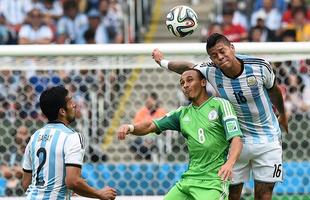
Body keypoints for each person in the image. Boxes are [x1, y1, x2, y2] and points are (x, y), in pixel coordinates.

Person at [152, 33, 288, 200]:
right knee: (232, 194)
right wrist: (162, 62)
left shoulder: (260, 67)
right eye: (214, 56)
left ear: (232, 48)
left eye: (222, 51)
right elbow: (188, 66)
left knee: (264, 195)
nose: (220, 57)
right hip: (236, 141)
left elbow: (274, 91)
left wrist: (282, 113)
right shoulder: (212, 71)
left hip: (268, 138)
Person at [117, 69, 243, 199]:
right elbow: (150, 125)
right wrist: (130, 127)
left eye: (189, 80)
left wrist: (229, 163)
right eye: (182, 83)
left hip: (213, 181)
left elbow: (237, 138)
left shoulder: (220, 105)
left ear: (203, 82)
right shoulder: (181, 114)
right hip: (188, 180)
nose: (185, 85)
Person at [22, 86, 116, 200]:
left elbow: (26, 183)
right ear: (62, 111)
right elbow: (73, 182)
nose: (74, 105)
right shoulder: (72, 137)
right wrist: (99, 193)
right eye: (71, 101)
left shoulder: (35, 137)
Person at [131, 92, 167, 160]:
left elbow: (164, 128)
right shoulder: (141, 112)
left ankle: (153, 157)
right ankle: (146, 158)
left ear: (155, 101)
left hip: (157, 138)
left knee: (158, 142)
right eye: (147, 101)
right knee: (134, 143)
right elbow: (136, 126)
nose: (148, 103)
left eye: (150, 101)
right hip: (143, 138)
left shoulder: (161, 112)